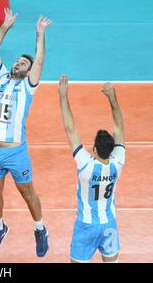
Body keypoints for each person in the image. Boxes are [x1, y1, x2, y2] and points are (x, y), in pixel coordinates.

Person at [0, 7, 51, 257]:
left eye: (24, 63)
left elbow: (40, 59)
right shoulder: (0, 77)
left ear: (28, 70)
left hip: (15, 153)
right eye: (17, 60)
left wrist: (39, 34)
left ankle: (40, 229)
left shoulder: (28, 87)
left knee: (26, 191)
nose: (18, 63)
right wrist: (5, 26)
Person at [58, 75, 125, 263]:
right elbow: (119, 126)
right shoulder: (118, 163)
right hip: (109, 225)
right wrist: (112, 97)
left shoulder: (86, 164)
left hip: (86, 227)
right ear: (113, 150)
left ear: (94, 150)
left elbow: (70, 128)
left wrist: (63, 97)